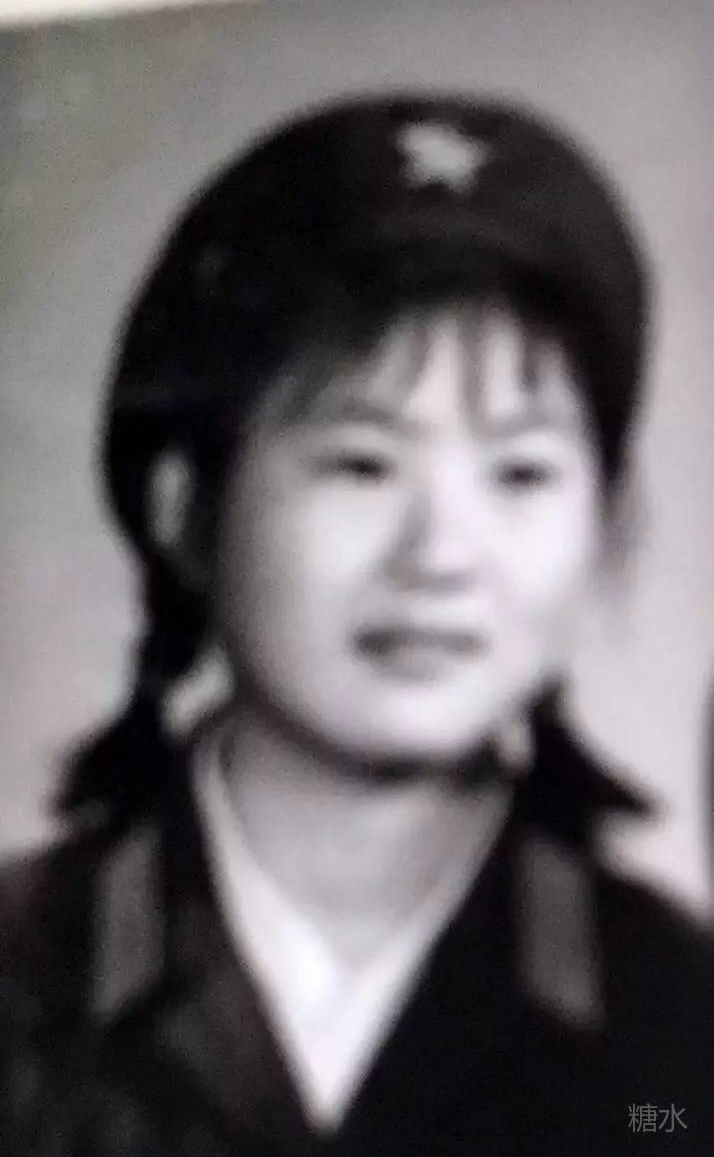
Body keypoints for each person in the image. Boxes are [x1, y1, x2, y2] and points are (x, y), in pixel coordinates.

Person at [1, 92, 712, 1156]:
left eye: (520, 472)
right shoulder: (24, 980)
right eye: (362, 464)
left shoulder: (675, 1022)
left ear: (604, 527)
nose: (441, 554)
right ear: (185, 509)